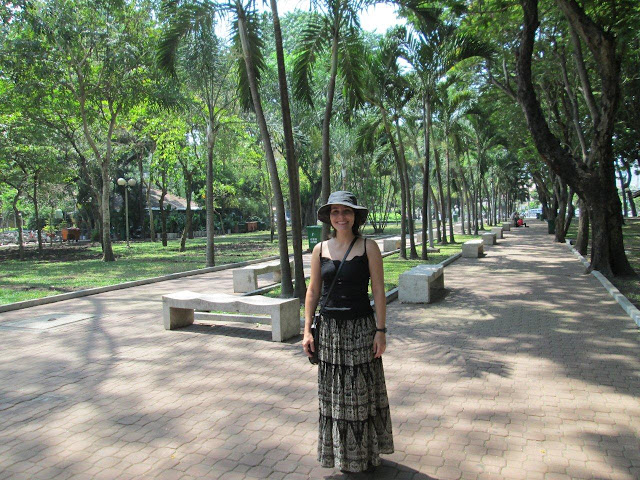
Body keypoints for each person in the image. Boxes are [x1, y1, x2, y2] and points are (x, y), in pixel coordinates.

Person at [303, 191, 394, 473]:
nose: (341, 217)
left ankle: (365, 454)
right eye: (335, 212)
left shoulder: (368, 247)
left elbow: (378, 290)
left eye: (346, 211)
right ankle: (341, 455)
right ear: (329, 217)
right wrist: (307, 331)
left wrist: (381, 330)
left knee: (361, 394)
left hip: (361, 330)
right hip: (329, 332)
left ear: (355, 216)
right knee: (335, 396)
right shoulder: (320, 249)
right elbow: (313, 291)